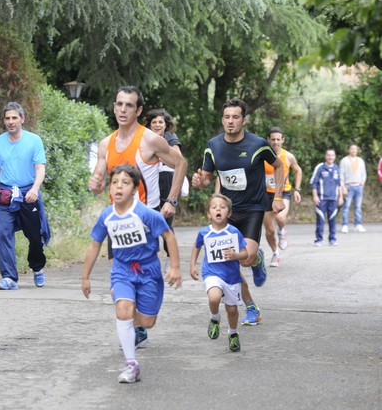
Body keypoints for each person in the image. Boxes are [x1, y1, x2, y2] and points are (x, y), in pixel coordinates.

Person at [88, 86, 187, 347]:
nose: (122, 109)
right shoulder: (105, 144)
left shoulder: (149, 140)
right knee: (119, 280)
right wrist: (96, 182)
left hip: (144, 220)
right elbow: (99, 178)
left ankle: (140, 321)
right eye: (119, 104)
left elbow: (181, 164)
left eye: (129, 105)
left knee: (142, 284)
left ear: (138, 110)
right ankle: (131, 326)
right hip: (118, 223)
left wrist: (171, 200)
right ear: (114, 106)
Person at [82, 164, 182, 383]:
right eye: (115, 183)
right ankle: (131, 364)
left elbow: (169, 236)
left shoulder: (145, 213)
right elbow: (94, 245)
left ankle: (128, 303)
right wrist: (85, 277)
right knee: (124, 309)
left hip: (148, 271)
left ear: (135, 189)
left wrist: (174, 267)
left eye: (125, 183)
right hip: (122, 270)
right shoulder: (107, 216)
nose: (119, 187)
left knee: (147, 322)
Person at [191, 97, 285, 326]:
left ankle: (257, 258)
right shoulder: (213, 146)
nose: (230, 122)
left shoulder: (258, 144)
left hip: (253, 208)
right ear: (222, 119)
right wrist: (198, 182)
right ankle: (251, 307)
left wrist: (279, 196)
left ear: (244, 120)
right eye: (226, 117)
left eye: (235, 117)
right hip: (227, 212)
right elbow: (206, 179)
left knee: (247, 259)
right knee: (230, 263)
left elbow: (279, 165)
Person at [0, 102, 50, 290]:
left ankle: (37, 267)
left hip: (28, 193)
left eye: (14, 118)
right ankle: (9, 278)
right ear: (4, 121)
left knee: (35, 236)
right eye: (7, 118)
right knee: (3, 233)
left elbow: (40, 168)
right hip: (4, 195)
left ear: (22, 119)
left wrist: (35, 189)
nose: (11, 122)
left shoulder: (34, 140)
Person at [190, 194, 248, 352]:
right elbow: (197, 246)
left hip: (232, 276)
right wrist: (192, 265)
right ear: (209, 213)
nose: (218, 209)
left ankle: (233, 333)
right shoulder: (204, 233)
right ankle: (214, 318)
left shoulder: (234, 232)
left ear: (228, 213)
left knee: (232, 310)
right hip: (211, 273)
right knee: (214, 297)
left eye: (222, 207)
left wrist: (236, 255)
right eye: (214, 207)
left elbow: (245, 254)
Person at [145, 108, 188, 269]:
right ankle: (150, 263)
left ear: (166, 125)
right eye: (154, 122)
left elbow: (178, 159)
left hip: (167, 181)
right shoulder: (145, 139)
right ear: (149, 125)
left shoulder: (171, 138)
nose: (157, 125)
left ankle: (171, 263)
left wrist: (158, 154)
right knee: (149, 223)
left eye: (160, 122)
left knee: (165, 223)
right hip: (150, 181)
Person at [263, 127, 302, 267]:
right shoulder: (263, 156)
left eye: (278, 139)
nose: (275, 142)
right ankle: (275, 254)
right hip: (266, 194)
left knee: (280, 217)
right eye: (272, 139)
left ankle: (282, 231)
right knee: (269, 230)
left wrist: (297, 189)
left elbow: (298, 171)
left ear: (283, 140)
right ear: (268, 140)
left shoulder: (288, 156)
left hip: (283, 192)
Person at [310, 149, 343, 246]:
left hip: (333, 199)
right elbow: (313, 183)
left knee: (332, 220)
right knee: (320, 220)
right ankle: (318, 240)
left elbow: (340, 184)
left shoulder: (337, 168)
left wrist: (340, 197)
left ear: (335, 156)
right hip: (321, 199)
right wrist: (315, 196)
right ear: (325, 156)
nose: (330, 157)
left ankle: (332, 239)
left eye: (332, 155)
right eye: (328, 155)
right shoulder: (320, 167)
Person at [339, 144, 367, 233]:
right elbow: (341, 174)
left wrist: (362, 183)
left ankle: (358, 224)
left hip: (358, 186)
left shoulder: (361, 161)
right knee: (346, 206)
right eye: (352, 149)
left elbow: (364, 173)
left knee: (358, 207)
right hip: (348, 186)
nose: (354, 150)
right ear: (349, 150)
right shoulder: (344, 160)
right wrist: (343, 187)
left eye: (355, 149)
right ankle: (344, 225)